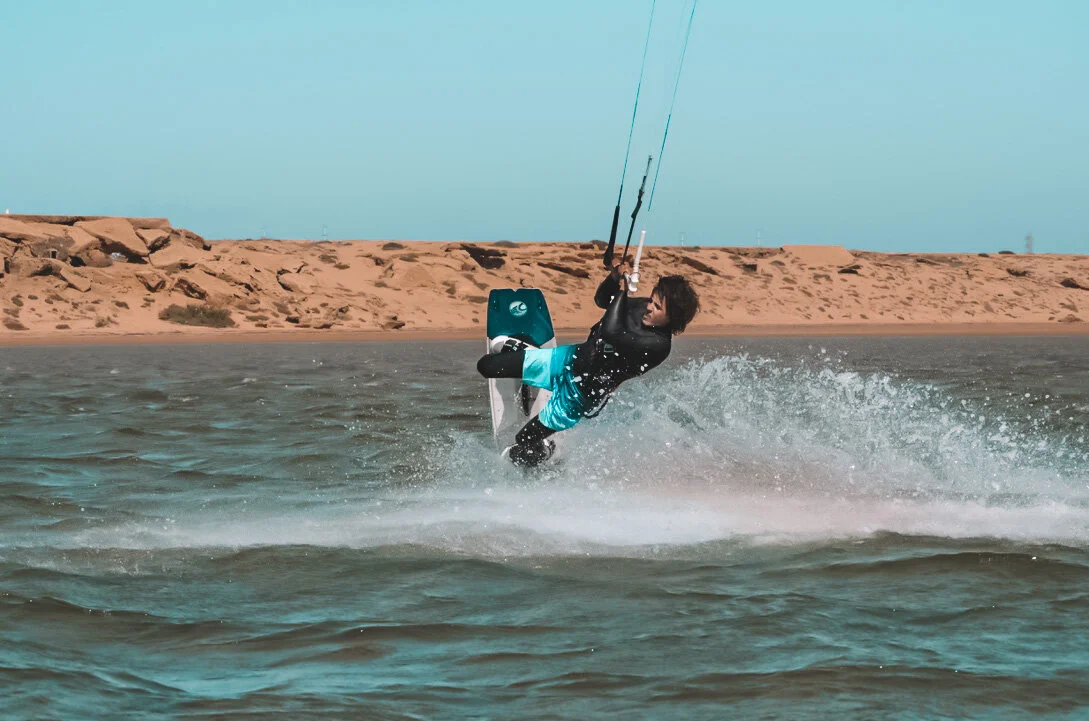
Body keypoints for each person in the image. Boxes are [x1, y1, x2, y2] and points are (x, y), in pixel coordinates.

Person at [477, 261, 700, 467]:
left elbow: (611, 332)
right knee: (486, 366)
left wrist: (622, 291)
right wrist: (614, 279)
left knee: (523, 441)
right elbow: (602, 301)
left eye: (658, 307)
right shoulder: (643, 308)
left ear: (672, 318)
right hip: (565, 360)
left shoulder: (658, 345)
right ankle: (529, 353)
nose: (649, 307)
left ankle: (546, 450)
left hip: (577, 396)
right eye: (652, 300)